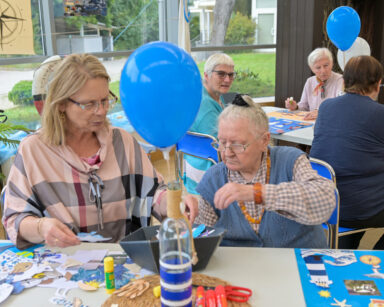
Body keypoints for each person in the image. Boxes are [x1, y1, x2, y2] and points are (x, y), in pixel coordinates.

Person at [2, 54, 167, 249]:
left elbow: (154, 190)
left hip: (126, 263)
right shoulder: (34, 151)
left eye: (105, 100)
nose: (101, 111)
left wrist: (173, 201)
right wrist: (41, 227)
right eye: (89, 104)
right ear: (61, 103)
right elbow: (14, 219)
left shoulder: (122, 142)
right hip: (64, 266)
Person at [184, 94, 335, 248]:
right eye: (222, 143)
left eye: (238, 144)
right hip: (243, 268)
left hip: (299, 264)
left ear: (264, 141)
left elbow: (325, 202)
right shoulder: (213, 180)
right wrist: (187, 227)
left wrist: (257, 193)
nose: (227, 153)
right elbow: (202, 241)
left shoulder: (290, 161)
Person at [310, 55, 384, 249]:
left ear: (344, 81)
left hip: (327, 202)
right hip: (362, 209)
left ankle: (345, 253)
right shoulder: (379, 114)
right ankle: (377, 260)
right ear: (378, 84)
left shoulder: (325, 108)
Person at [184, 53, 235, 194]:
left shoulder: (208, 95)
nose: (227, 79)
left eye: (231, 75)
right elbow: (223, 149)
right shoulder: (206, 106)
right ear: (206, 75)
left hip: (193, 168)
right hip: (209, 174)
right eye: (221, 74)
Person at [285, 47, 343, 120]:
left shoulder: (340, 80)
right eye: (318, 68)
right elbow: (304, 106)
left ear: (332, 63)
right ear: (312, 69)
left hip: (331, 122)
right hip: (312, 123)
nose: (323, 71)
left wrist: (320, 111)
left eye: (326, 65)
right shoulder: (310, 81)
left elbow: (340, 106)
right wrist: (295, 107)